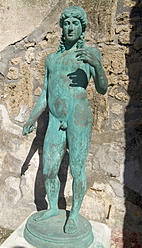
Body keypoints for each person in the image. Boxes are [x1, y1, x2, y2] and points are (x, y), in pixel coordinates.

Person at [22, 6, 108, 234]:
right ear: (62, 28)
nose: (70, 27)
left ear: (81, 29)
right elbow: (45, 93)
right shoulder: (52, 59)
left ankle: (75, 214)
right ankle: (52, 208)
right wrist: (32, 118)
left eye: (75, 24)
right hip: (55, 120)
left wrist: (97, 65)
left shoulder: (90, 54)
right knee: (49, 169)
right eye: (66, 23)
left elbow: (102, 89)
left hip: (78, 117)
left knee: (77, 169)